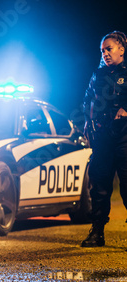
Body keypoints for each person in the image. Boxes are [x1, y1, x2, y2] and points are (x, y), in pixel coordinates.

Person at [82, 31, 127, 247]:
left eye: (109, 48)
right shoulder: (98, 75)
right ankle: (97, 232)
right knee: (98, 184)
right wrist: (87, 123)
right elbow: (87, 99)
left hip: (124, 138)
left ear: (121, 49)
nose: (105, 53)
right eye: (102, 50)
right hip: (101, 138)